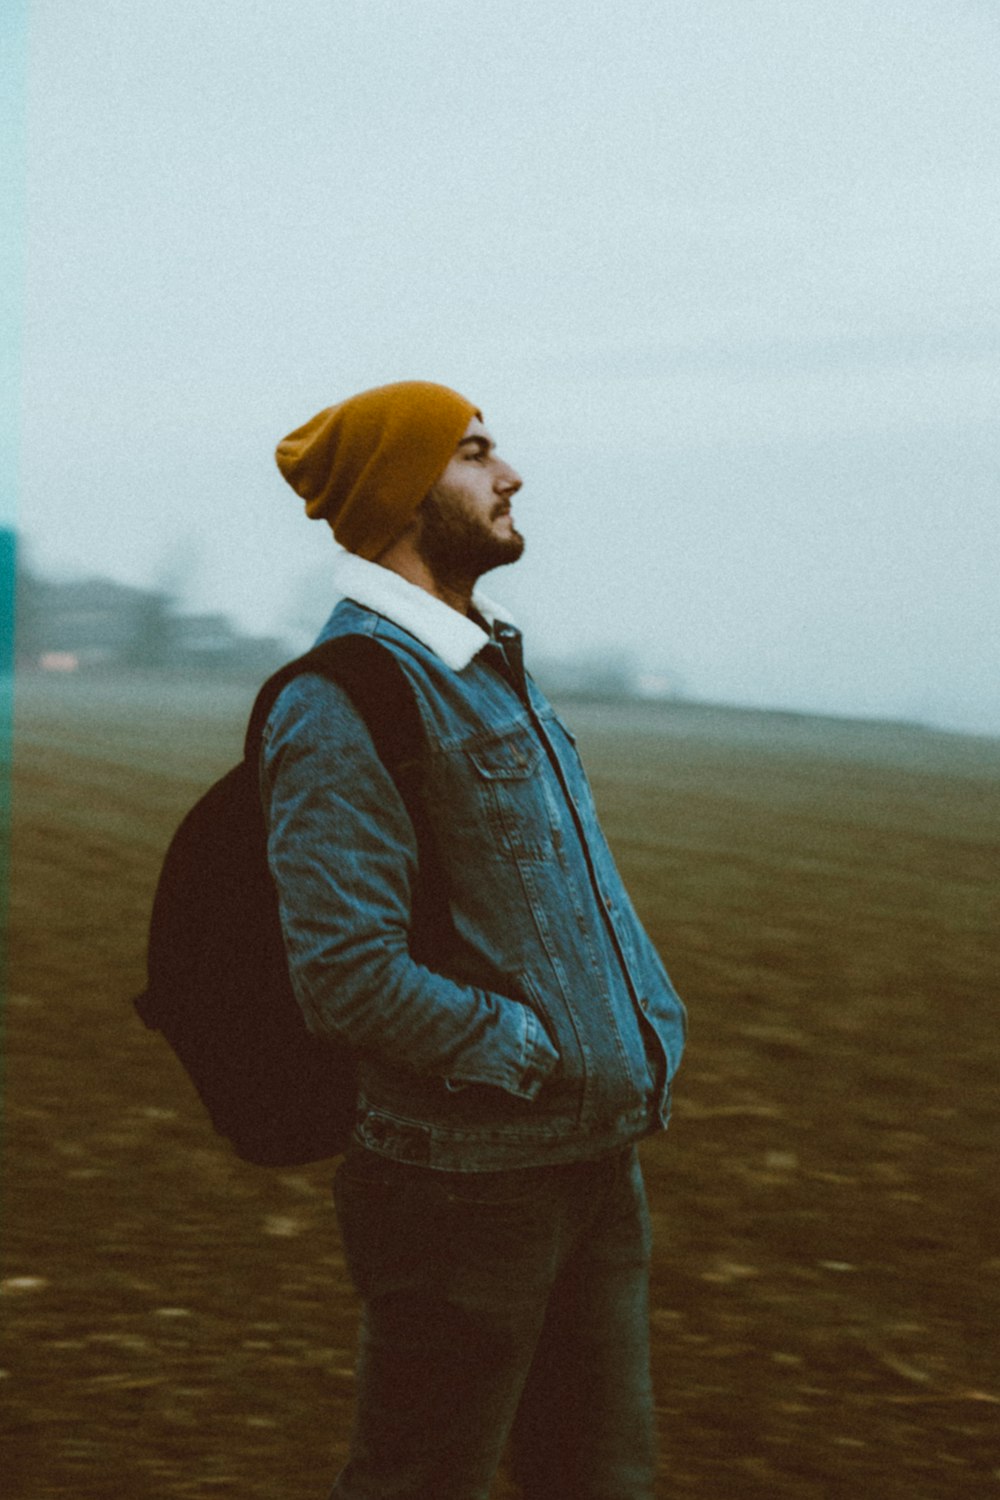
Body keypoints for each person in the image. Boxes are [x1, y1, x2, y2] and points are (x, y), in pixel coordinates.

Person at [266, 380, 688, 1500]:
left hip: (591, 1166)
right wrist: (525, 1052)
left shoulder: (490, 672)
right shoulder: (343, 698)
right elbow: (344, 974)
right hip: (463, 1189)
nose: (508, 474)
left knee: (599, 1479)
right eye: (472, 452)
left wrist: (640, 1031)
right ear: (403, 493)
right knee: (420, 1481)